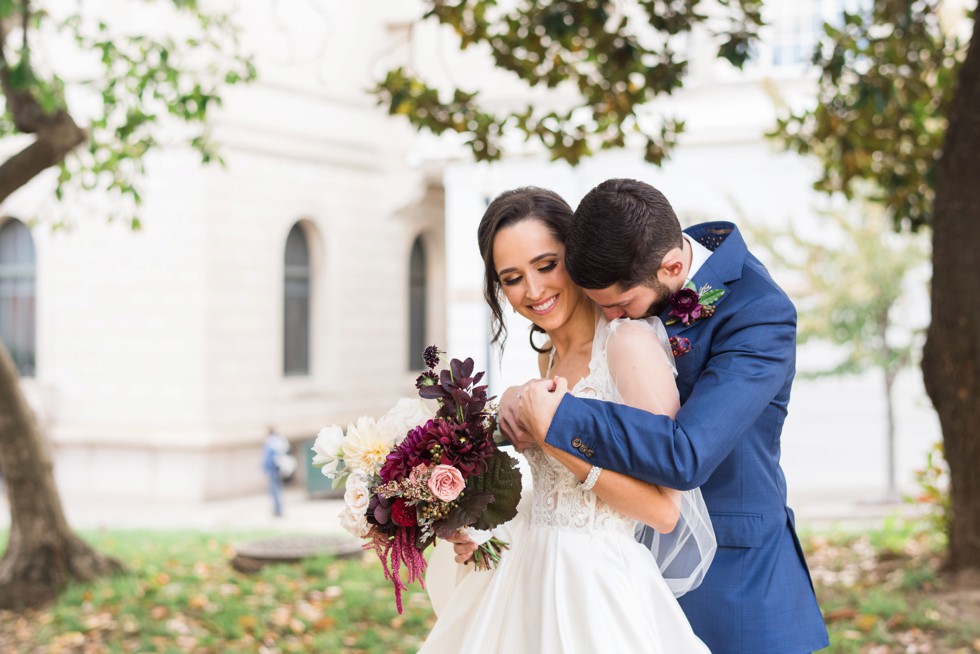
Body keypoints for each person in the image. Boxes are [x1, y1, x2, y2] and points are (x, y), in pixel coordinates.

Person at [511, 178, 830, 653]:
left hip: (733, 579)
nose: (613, 322)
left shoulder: (760, 314)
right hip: (618, 569)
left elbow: (687, 454)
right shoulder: (635, 253)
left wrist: (562, 419)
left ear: (674, 267)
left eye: (620, 306)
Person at [420, 187, 715, 653]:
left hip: (596, 590)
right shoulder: (549, 360)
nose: (534, 291)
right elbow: (555, 499)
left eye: (546, 265)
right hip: (526, 575)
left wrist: (555, 437)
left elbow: (664, 511)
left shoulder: (627, 346)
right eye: (513, 278)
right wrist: (486, 526)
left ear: (574, 257)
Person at [262, 426, 288, 517]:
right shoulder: (279, 441)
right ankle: (279, 509)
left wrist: (265, 469)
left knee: (274, 491)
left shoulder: (270, 442)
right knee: (278, 490)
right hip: (278, 470)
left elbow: (268, 458)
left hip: (272, 471)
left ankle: (277, 511)